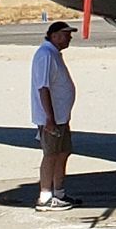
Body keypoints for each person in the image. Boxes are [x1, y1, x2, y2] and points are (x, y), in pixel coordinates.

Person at [31, 21, 80, 211]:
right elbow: (43, 88)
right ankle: (45, 197)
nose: (69, 38)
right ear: (54, 35)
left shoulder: (53, 54)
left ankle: (59, 193)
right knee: (50, 155)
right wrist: (49, 119)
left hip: (60, 117)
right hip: (51, 119)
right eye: (66, 34)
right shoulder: (45, 55)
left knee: (62, 153)